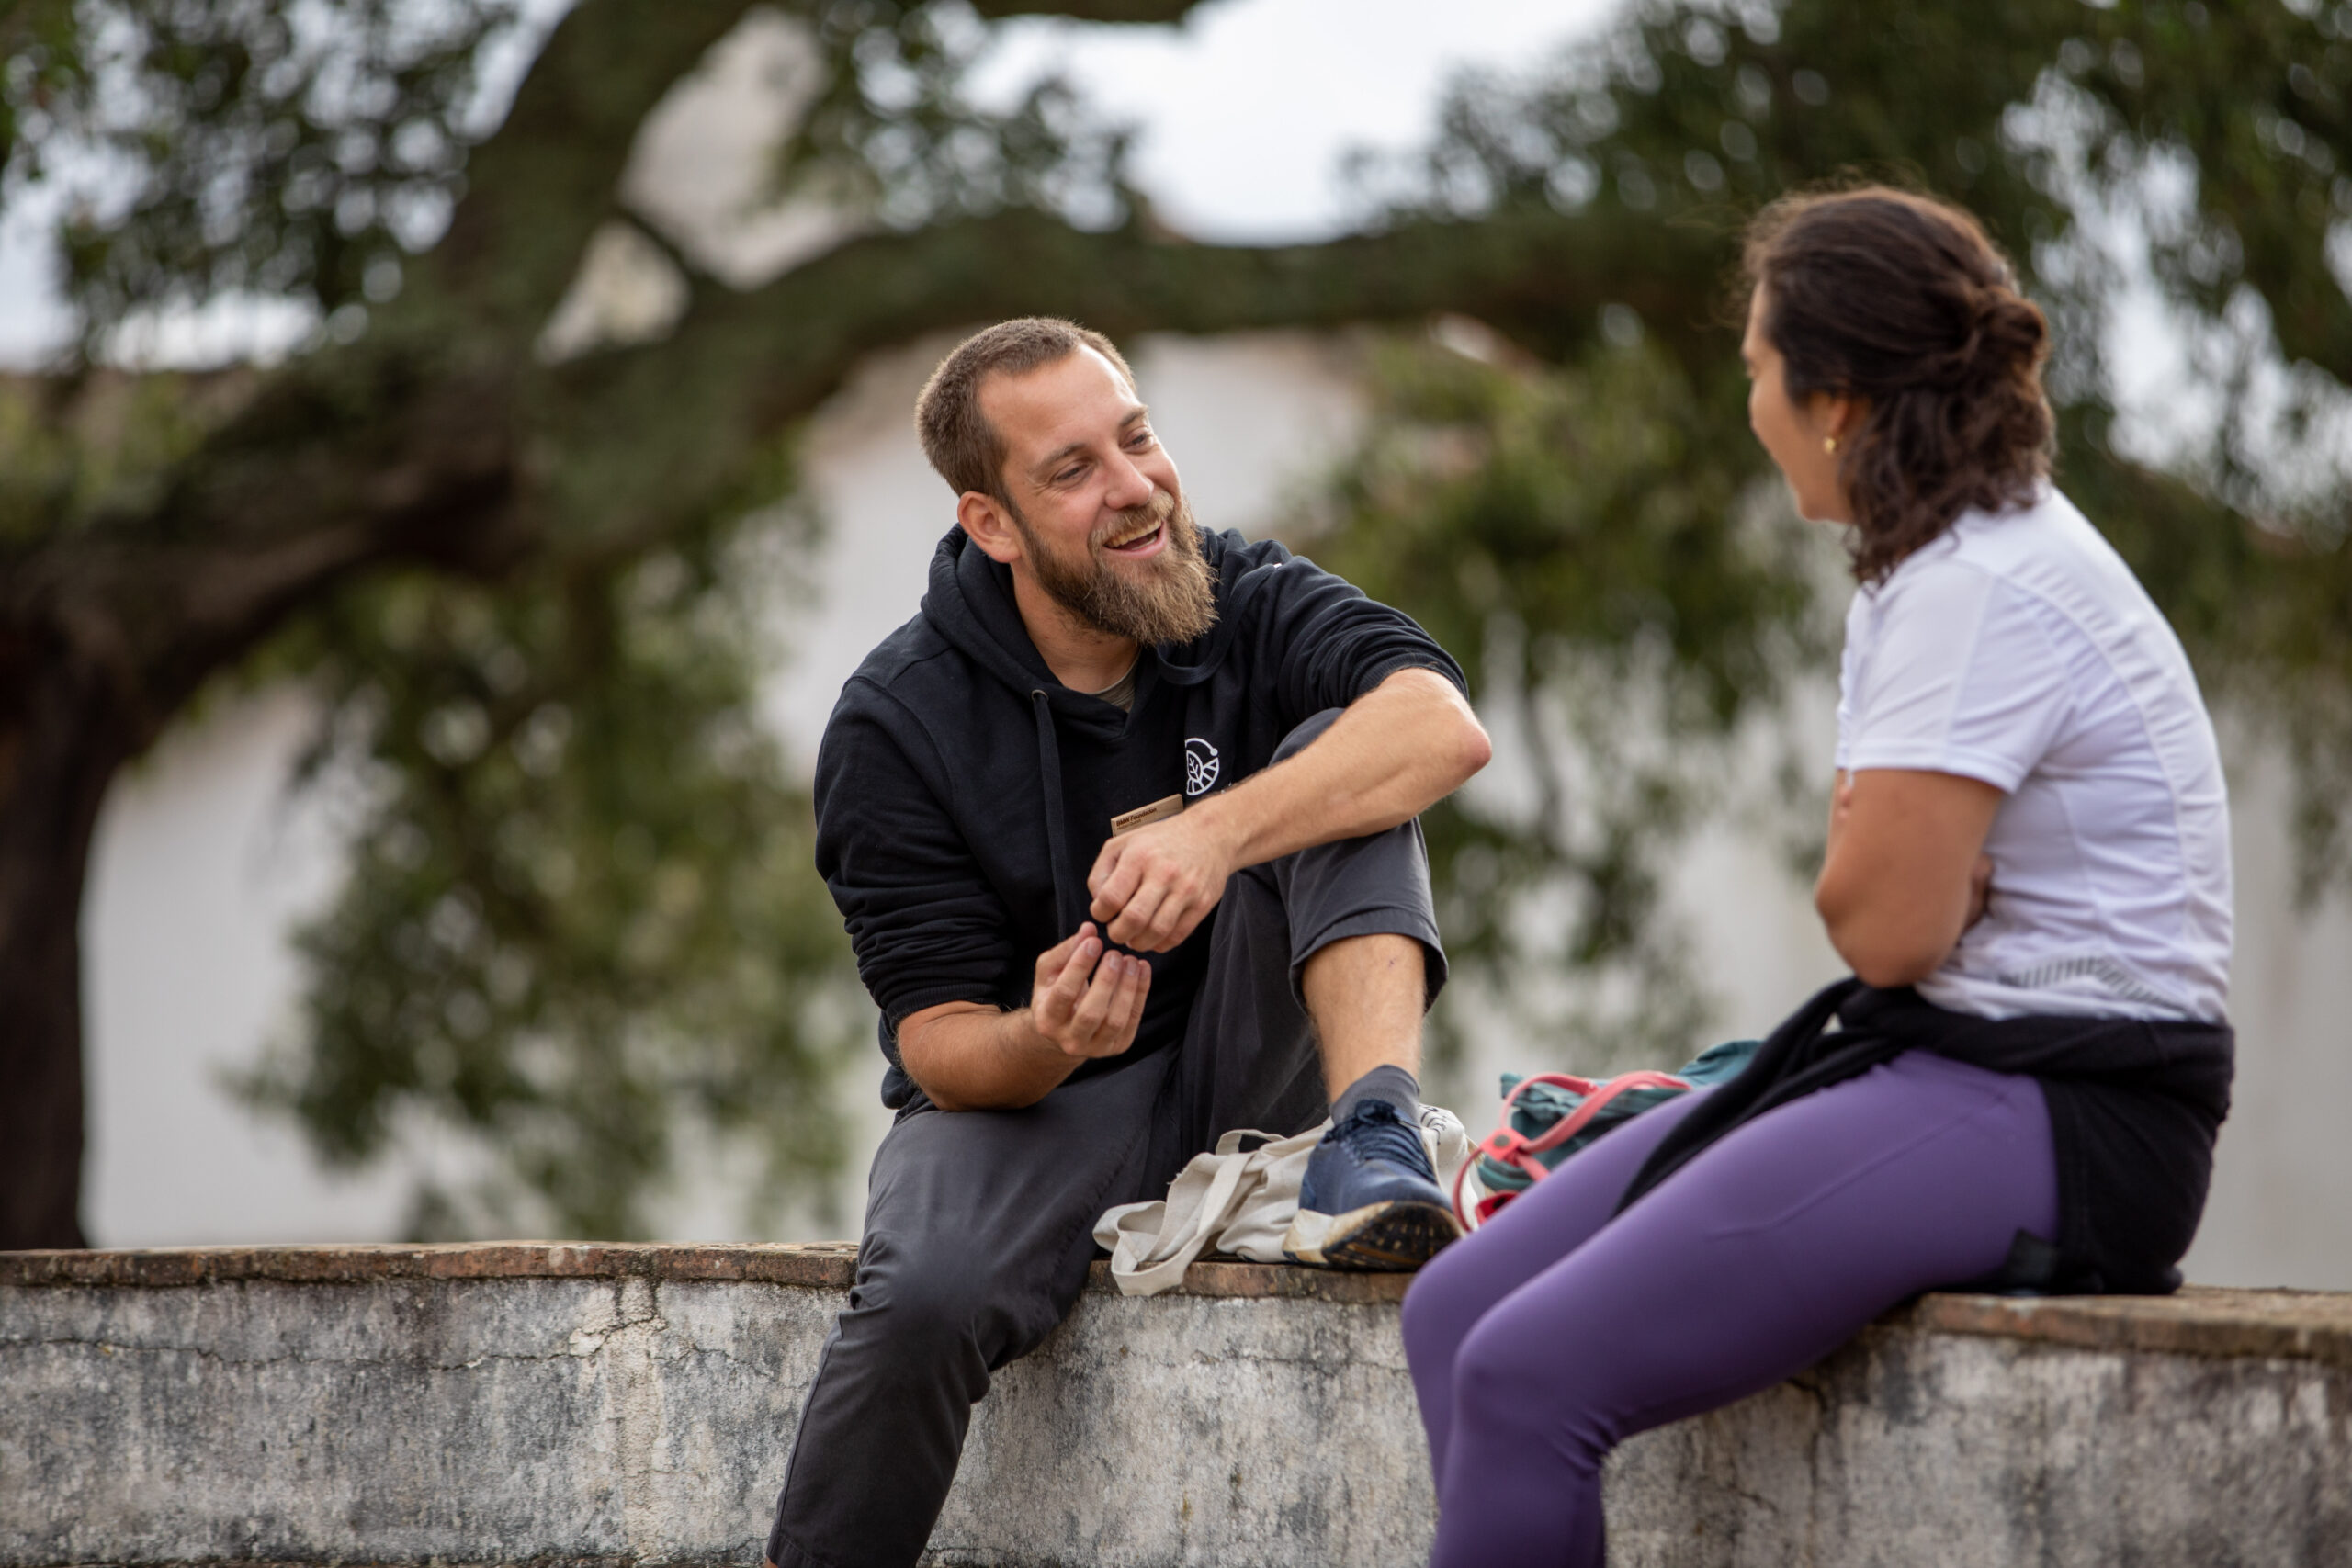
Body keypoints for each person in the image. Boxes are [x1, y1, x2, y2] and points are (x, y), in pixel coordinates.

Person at [1398, 186, 2235, 1568]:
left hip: (2068, 1111)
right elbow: (1899, 900)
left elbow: (1881, 925)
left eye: (1756, 373)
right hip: (1956, 1068)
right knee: (1453, 1313)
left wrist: (1874, 869)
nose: (1752, 407)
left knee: (1527, 1376)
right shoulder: (1933, 568)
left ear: (1834, 395)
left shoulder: (1981, 589)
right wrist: (1883, 865)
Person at [765, 317, 1492, 1568]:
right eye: (1073, 470)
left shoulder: (1243, 594)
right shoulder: (895, 725)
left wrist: (1216, 835)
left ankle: (1376, 1135)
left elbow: (1441, 729)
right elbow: (940, 1047)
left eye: (1137, 438)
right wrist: (1046, 1035)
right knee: (923, 1295)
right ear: (989, 523)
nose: (1135, 487)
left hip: (1261, 1061)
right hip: (1047, 1107)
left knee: (1342, 754)